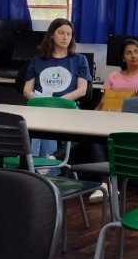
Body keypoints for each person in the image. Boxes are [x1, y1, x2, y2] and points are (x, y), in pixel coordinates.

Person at [83, 39, 138, 203]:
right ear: (123, 58)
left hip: (133, 123)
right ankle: (106, 183)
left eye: (137, 51)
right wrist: (92, 117)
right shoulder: (113, 76)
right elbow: (103, 101)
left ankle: (55, 158)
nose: (133, 56)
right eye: (128, 52)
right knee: (89, 137)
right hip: (109, 120)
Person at [23, 18, 92, 167]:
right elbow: (27, 90)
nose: (65, 37)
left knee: (80, 131)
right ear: (51, 35)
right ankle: (35, 164)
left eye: (69, 34)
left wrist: (57, 102)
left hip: (68, 107)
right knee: (33, 121)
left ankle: (51, 160)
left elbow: (82, 90)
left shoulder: (80, 60)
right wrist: (40, 102)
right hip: (41, 107)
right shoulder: (38, 60)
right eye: (61, 33)